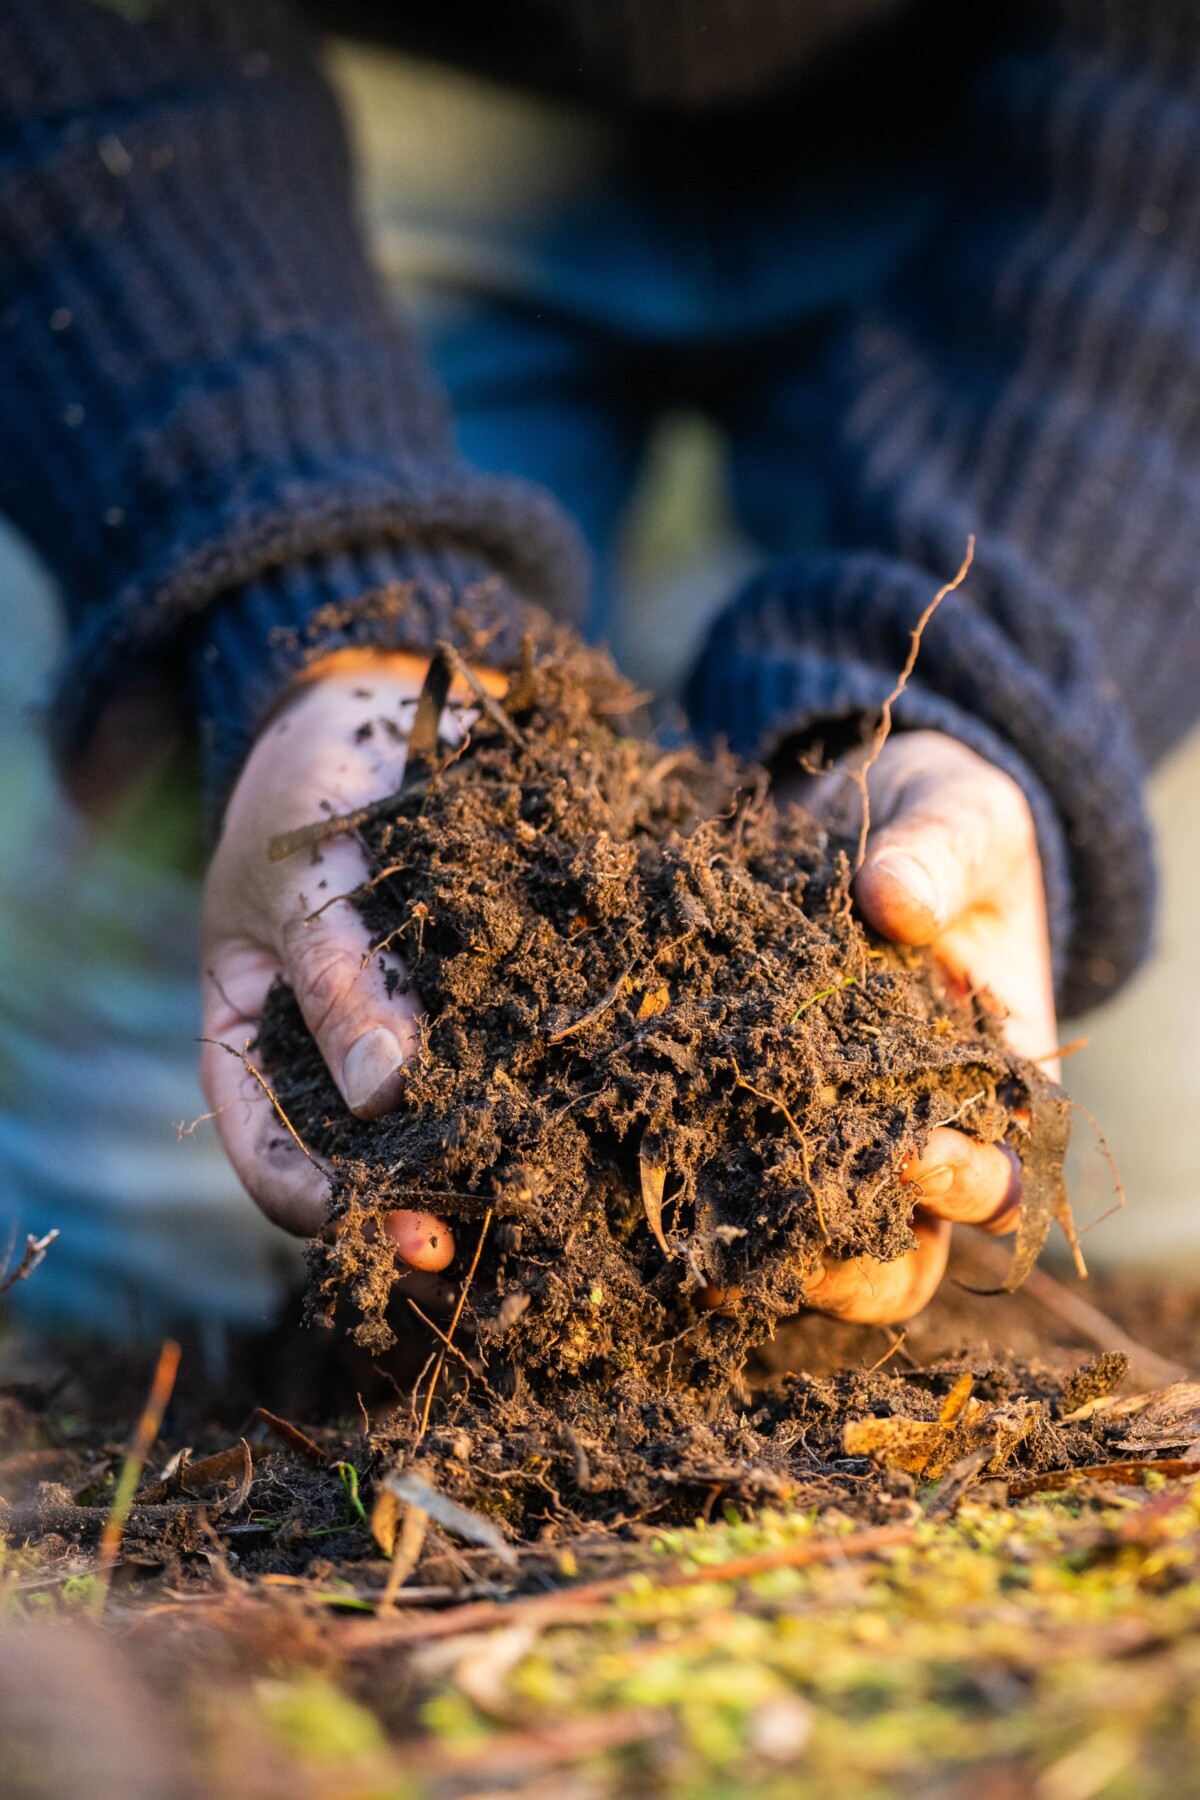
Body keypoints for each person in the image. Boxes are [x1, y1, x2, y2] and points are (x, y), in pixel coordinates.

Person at [0, 0, 1188, 1340]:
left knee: (1108, 1219)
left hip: (1025, 144)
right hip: (284, 123)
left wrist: (980, 700)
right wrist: (320, 610)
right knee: (189, 1230)